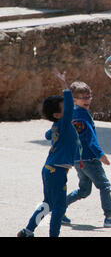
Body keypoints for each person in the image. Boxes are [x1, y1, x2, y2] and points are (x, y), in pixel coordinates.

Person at [46, 81, 111, 227]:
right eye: (83, 97)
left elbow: (50, 133)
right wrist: (100, 154)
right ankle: (110, 217)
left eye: (89, 96)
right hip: (89, 159)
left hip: (77, 160)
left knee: (84, 190)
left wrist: (51, 135)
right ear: (74, 100)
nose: (87, 100)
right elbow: (90, 138)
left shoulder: (69, 114)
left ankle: (58, 210)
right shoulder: (82, 115)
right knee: (104, 185)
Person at [17, 71, 82, 237]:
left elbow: (48, 135)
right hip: (57, 172)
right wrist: (64, 85)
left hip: (49, 169)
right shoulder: (63, 124)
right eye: (64, 109)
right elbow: (68, 107)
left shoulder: (57, 125)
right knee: (59, 207)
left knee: (48, 204)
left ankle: (28, 231)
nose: (69, 109)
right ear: (57, 115)